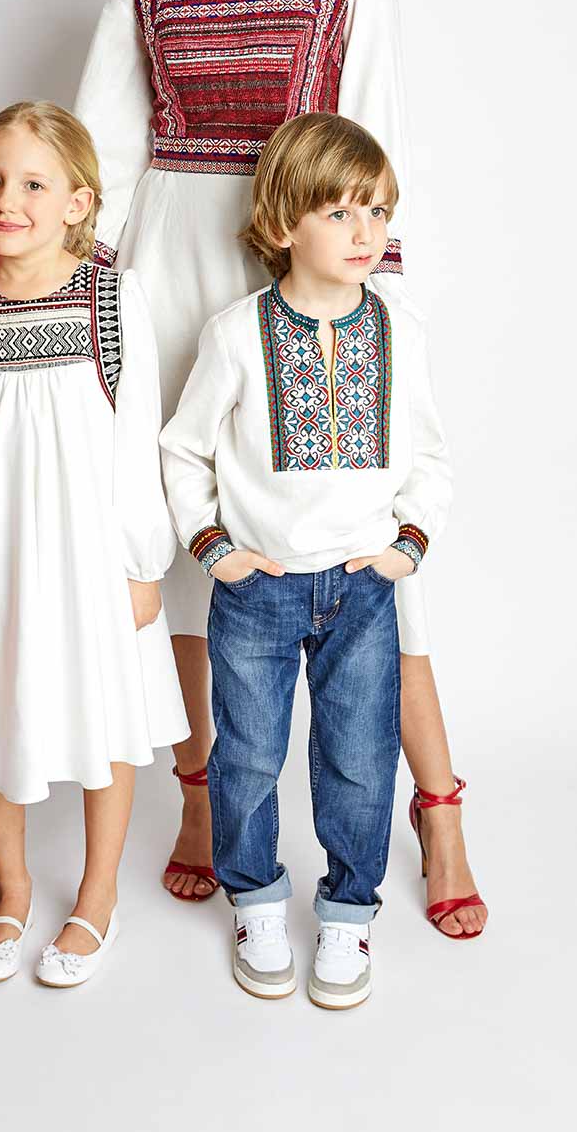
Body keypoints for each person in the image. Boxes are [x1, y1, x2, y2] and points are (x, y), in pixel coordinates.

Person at [73, 0, 486, 937]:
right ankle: (205, 799)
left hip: (316, 268)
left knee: (364, 547)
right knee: (192, 549)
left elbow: (372, 129)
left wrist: (377, 304)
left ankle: (438, 807)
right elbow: (105, 149)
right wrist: (90, 304)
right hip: (174, 269)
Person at [161, 113, 459, 1008]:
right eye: (339, 212)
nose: (365, 231)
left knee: (361, 759)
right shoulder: (235, 333)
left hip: (363, 590)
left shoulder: (398, 329)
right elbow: (183, 449)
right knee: (248, 757)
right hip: (258, 590)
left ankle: (347, 911)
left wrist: (407, 545)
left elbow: (429, 455)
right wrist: (213, 548)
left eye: (377, 211)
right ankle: (255, 899)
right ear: (283, 222)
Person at [0, 101, 188, 988]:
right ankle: (13, 890)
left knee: (106, 716)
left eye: (32, 183)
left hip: (91, 557)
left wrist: (142, 565)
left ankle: (96, 896)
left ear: (77, 202)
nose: (5, 200)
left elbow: (137, 441)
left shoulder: (111, 298)